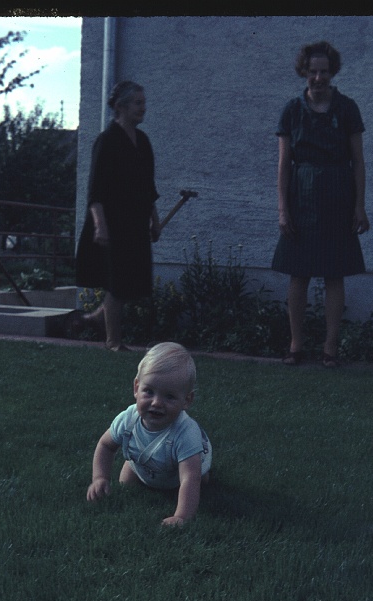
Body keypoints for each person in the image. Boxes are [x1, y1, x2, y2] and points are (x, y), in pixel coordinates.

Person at [272, 41, 370, 367]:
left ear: (332, 72)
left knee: (333, 273)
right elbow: (284, 164)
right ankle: (296, 345)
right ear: (304, 71)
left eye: (324, 71)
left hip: (338, 197)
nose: (318, 78)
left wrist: (359, 206)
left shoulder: (347, 109)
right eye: (312, 71)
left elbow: (358, 161)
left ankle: (330, 348)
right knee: (298, 273)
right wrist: (283, 210)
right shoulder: (292, 111)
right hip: (301, 197)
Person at [73, 80, 161, 351]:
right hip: (112, 223)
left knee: (131, 281)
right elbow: (95, 191)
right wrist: (100, 227)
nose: (143, 108)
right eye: (138, 103)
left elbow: (148, 187)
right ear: (121, 106)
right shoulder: (107, 141)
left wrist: (154, 219)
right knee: (118, 282)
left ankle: (94, 319)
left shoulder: (143, 142)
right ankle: (113, 341)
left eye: (144, 103)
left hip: (135, 222)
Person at [86, 342, 212, 526]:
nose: (156, 403)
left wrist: (182, 516)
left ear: (187, 400)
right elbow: (105, 446)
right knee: (126, 485)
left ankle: (205, 475)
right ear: (137, 388)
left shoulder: (186, 433)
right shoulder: (128, 419)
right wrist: (100, 478)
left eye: (169, 396)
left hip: (176, 474)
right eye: (149, 391)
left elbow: (188, 478)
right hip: (141, 464)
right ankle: (143, 473)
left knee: (198, 478)